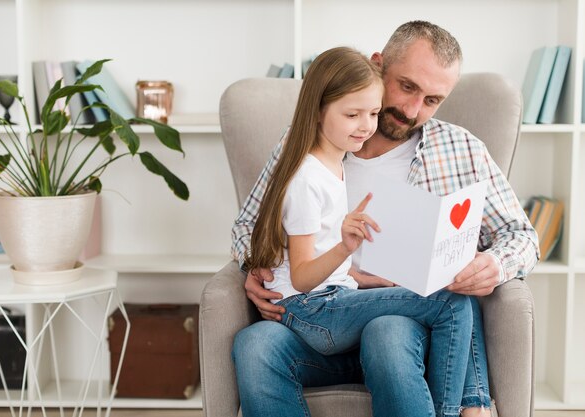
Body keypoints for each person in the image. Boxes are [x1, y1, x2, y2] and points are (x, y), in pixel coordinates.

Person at [231, 21, 539, 417]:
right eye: (407, 87)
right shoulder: (307, 144)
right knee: (254, 345)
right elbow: (247, 226)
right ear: (378, 66)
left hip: (401, 325)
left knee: (387, 331)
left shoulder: (460, 149)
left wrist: (494, 265)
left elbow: (522, 235)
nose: (412, 110)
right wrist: (254, 266)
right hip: (320, 318)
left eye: (432, 100)